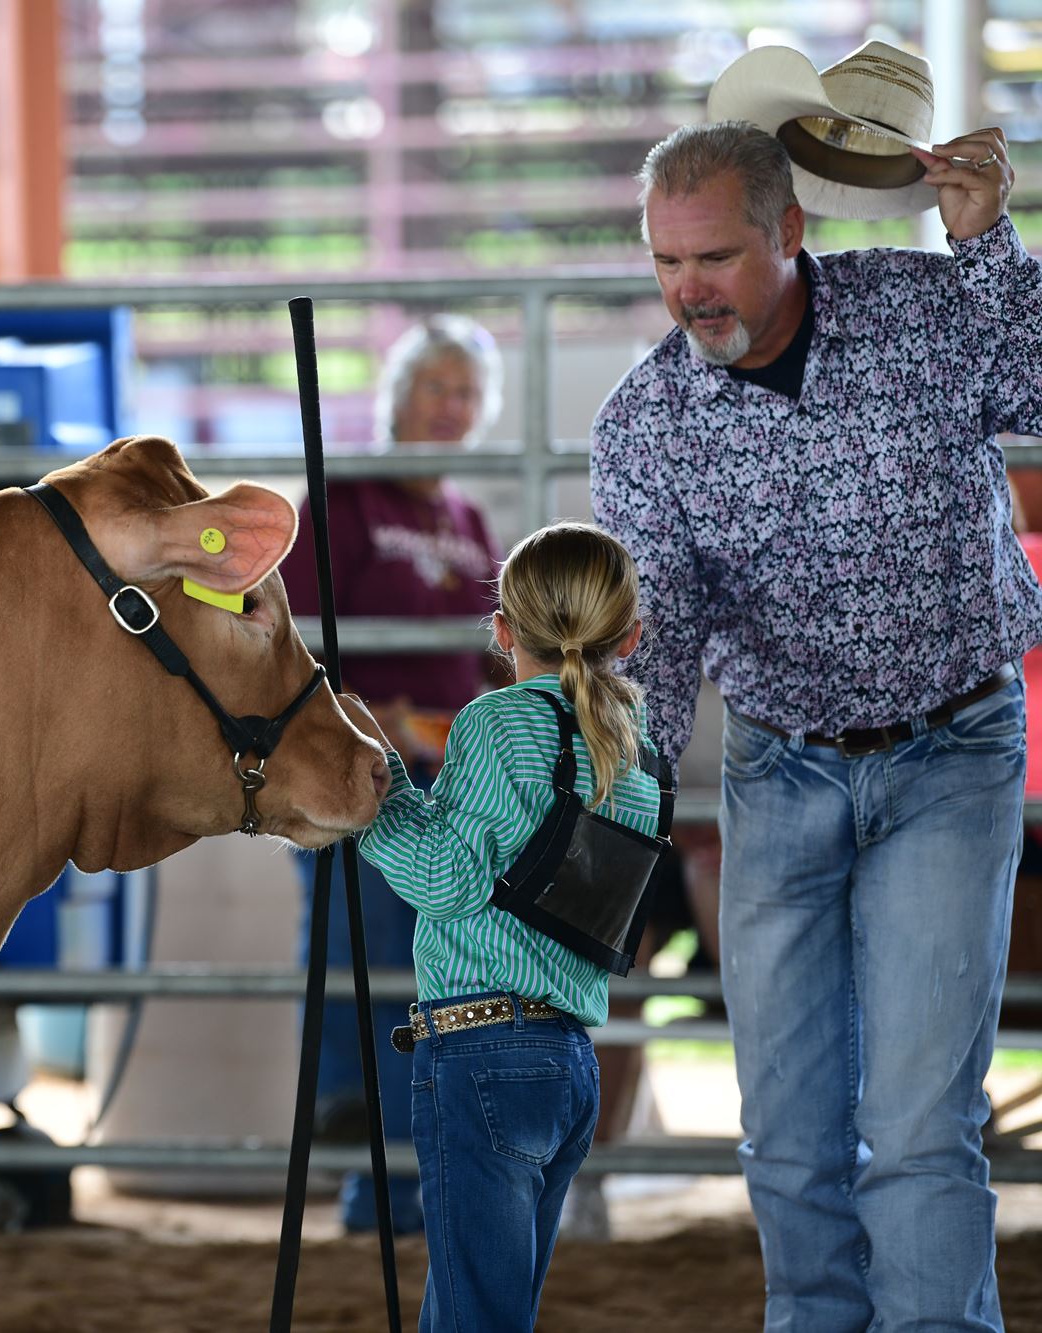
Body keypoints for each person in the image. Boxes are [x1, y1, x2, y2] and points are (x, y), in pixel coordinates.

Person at [591, 118, 1041, 1331]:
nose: (688, 290)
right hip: (779, 767)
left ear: (789, 232)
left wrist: (988, 240)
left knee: (913, 1122)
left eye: (716, 257)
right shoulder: (642, 426)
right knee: (783, 1131)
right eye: (664, 263)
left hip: (951, 746)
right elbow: (661, 627)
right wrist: (614, 784)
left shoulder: (921, 309)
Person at [354, 520, 663, 1331]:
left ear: (500, 630)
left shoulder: (495, 722)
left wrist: (376, 791)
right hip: (567, 1062)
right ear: (630, 634)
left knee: (471, 1314)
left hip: (481, 1047)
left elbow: (445, 879)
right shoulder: (643, 755)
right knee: (489, 1306)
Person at [278, 314, 504, 1235]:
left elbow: (492, 649)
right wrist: (388, 717)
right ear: (398, 397)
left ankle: (404, 1196)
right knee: (362, 954)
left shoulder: (466, 517)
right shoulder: (343, 503)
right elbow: (284, 638)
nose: (451, 408)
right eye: (435, 388)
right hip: (363, 771)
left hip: (456, 780)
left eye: (467, 393)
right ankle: (360, 1157)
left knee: (437, 979)